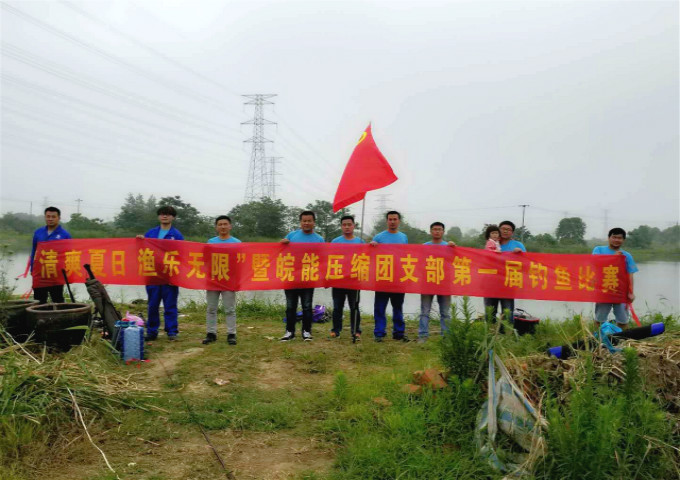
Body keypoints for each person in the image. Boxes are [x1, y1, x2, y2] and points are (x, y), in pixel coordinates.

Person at [137, 206, 184, 341]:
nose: (165, 216)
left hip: (169, 275)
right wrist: (140, 240)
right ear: (159, 216)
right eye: (162, 214)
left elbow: (181, 255)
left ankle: (172, 331)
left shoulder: (177, 235)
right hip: (153, 274)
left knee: (170, 305)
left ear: (173, 217)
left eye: (168, 214)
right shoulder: (151, 233)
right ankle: (152, 331)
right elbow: (142, 250)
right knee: (152, 305)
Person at [280, 210, 325, 342]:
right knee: (290, 306)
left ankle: (306, 331)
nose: (306, 223)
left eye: (309, 221)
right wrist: (282, 243)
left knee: (307, 306)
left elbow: (323, 258)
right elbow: (280, 252)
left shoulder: (319, 239)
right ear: (300, 222)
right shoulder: (292, 236)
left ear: (314, 222)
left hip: (308, 277)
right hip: (291, 277)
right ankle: (289, 331)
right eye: (304, 221)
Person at [370, 210, 409, 342]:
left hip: (398, 277)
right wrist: (372, 246)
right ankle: (379, 333)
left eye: (395, 219)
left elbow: (407, 256)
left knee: (397, 307)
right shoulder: (378, 237)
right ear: (387, 221)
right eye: (390, 219)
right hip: (383, 277)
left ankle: (398, 332)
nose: (392, 222)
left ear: (399, 221)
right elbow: (371, 256)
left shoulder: (403, 237)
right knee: (380, 307)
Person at [203, 215, 241, 345]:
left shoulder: (237, 243)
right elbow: (205, 260)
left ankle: (231, 334)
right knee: (211, 308)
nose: (223, 227)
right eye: (220, 224)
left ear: (230, 226)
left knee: (230, 309)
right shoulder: (210, 242)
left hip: (229, 280)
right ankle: (211, 333)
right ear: (216, 227)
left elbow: (241, 263)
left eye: (225, 224)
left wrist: (238, 280)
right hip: (213, 279)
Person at [593, 227, 638, 329]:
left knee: (623, 320)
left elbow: (630, 274)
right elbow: (595, 263)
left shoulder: (627, 255)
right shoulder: (598, 250)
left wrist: (630, 292)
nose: (616, 240)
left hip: (620, 292)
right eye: (614, 237)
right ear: (609, 238)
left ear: (623, 240)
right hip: (603, 290)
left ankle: (622, 337)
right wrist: (614, 258)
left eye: (619, 238)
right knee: (600, 319)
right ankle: (599, 337)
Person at [483, 220, 526, 321]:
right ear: (498, 230)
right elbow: (484, 261)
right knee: (490, 312)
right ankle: (489, 330)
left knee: (507, 312)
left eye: (508, 229)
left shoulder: (518, 245)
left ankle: (506, 330)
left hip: (508, 284)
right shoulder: (492, 243)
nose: (505, 231)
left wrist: (518, 254)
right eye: (503, 229)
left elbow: (526, 263)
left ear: (512, 232)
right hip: (491, 283)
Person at [418, 221, 454, 343]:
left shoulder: (449, 246)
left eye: (439, 229)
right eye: (435, 229)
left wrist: (454, 248)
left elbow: (456, 261)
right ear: (430, 231)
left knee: (445, 312)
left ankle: (446, 336)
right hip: (428, 282)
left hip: (444, 283)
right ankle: (423, 335)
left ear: (443, 232)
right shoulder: (424, 246)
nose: (437, 231)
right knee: (425, 311)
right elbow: (418, 262)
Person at [330, 215, 364, 339]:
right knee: (337, 307)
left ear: (354, 226)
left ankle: (356, 330)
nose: (347, 227)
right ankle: (336, 330)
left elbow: (365, 260)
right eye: (344, 225)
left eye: (349, 224)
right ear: (341, 226)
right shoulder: (335, 242)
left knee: (354, 307)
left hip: (354, 280)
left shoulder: (360, 242)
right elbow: (329, 260)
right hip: (338, 279)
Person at [30, 206, 72, 304]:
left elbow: (69, 255)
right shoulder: (38, 232)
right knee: (39, 301)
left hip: (56, 273)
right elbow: (34, 251)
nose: (50, 219)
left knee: (57, 300)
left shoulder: (65, 235)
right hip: (40, 273)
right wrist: (32, 269)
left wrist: (68, 271)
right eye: (48, 216)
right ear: (45, 217)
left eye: (53, 217)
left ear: (59, 218)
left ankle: (58, 314)